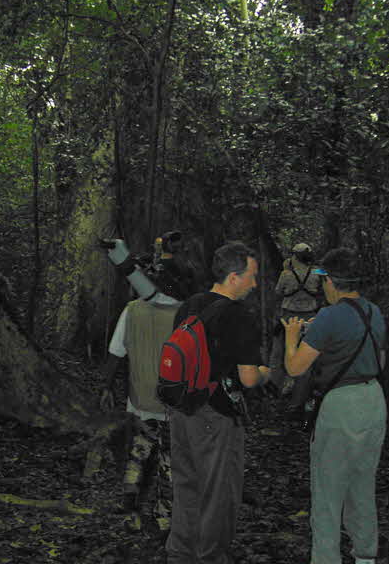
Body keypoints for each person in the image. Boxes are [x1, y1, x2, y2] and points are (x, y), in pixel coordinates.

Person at [165, 241, 271, 564]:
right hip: (216, 414)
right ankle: (211, 557)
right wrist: (269, 373)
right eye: (251, 277)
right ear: (234, 277)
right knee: (219, 492)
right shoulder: (239, 316)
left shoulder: (188, 305)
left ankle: (180, 554)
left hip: (182, 410)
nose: (254, 285)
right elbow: (249, 378)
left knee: (186, 486)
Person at [281, 248, 386, 564]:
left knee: (328, 490)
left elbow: (296, 368)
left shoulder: (328, 316)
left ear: (329, 281)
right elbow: (380, 361)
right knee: (362, 483)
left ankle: (326, 559)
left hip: (340, 404)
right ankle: (366, 556)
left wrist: (291, 337)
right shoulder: (374, 312)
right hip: (373, 401)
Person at [100, 288, 180, 533]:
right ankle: (163, 519)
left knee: (137, 455)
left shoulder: (133, 309)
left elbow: (115, 354)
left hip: (140, 402)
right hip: (173, 405)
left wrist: (105, 387)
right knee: (169, 462)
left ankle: (130, 511)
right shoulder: (187, 313)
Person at [273, 243, 322, 411]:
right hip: (311, 317)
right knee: (308, 358)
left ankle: (281, 392)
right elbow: (325, 278)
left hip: (289, 318)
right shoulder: (316, 272)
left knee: (283, 353)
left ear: (294, 256)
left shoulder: (286, 274)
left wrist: (287, 269)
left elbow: (278, 292)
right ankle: (300, 399)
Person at [150, 230, 197, 302]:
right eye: (172, 241)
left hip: (187, 295)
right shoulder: (161, 262)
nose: (177, 244)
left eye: (176, 241)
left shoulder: (181, 258)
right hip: (174, 298)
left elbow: (190, 275)